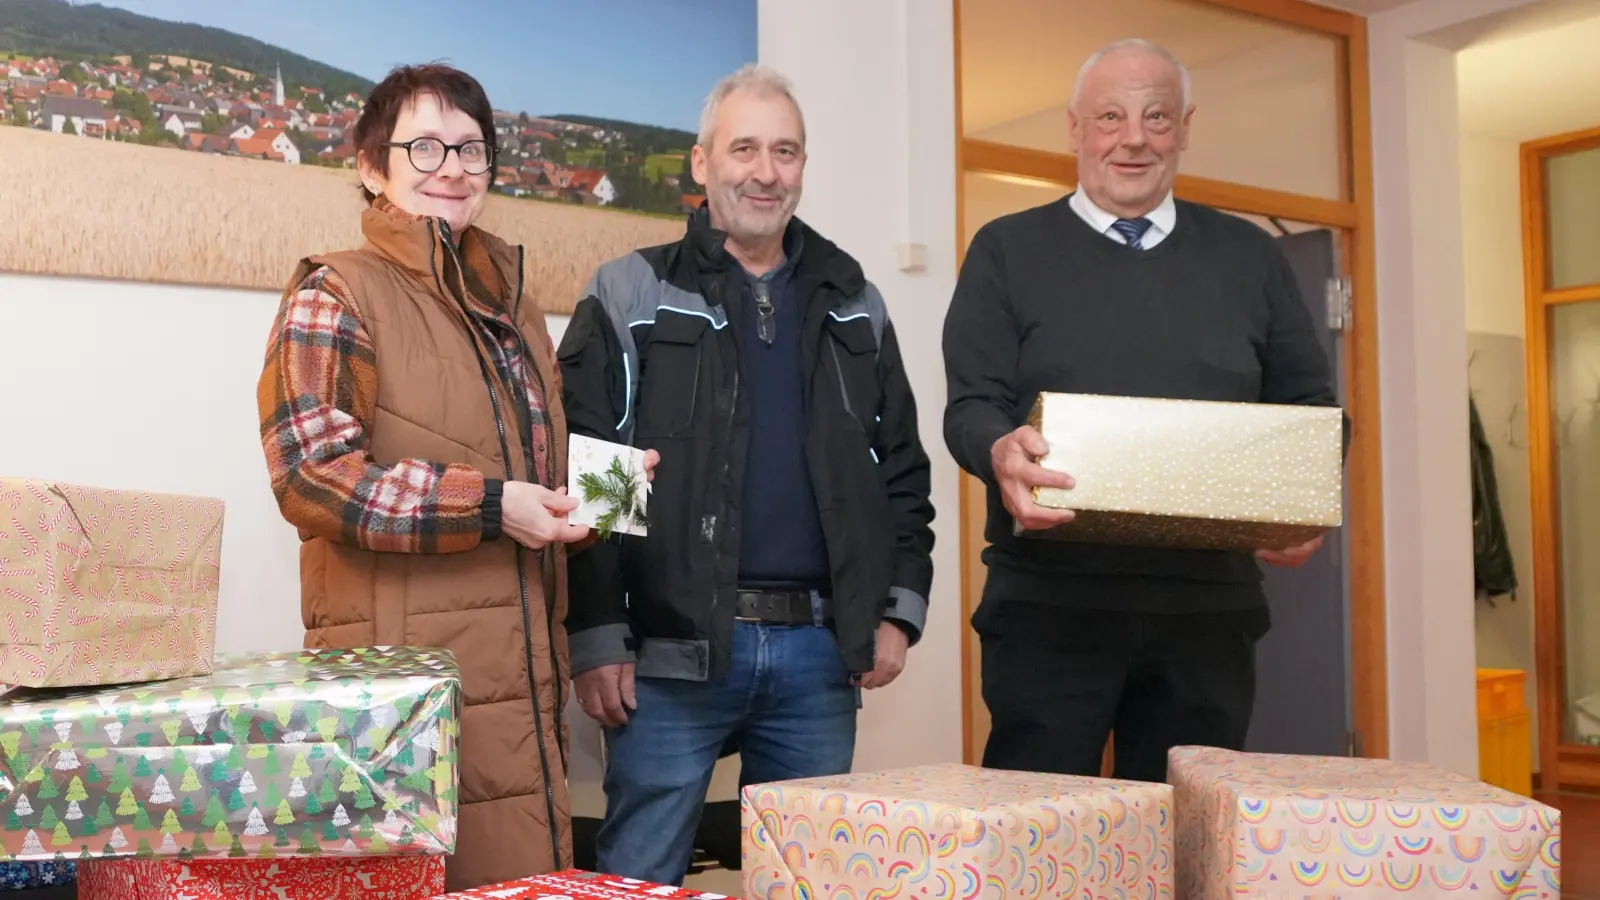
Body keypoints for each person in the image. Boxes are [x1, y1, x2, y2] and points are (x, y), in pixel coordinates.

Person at [256, 63, 653, 891]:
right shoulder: (334, 292)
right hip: (404, 696)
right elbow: (311, 475)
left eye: (472, 150)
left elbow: (531, 480)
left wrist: (610, 497)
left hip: (521, 695)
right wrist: (495, 506)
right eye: (426, 145)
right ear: (372, 169)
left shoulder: (513, 306)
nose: (453, 168)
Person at [557, 63, 936, 885]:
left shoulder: (853, 300)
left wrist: (898, 611)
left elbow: (901, 469)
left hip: (818, 656)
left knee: (806, 877)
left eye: (786, 151)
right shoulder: (632, 291)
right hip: (666, 655)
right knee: (636, 878)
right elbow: (596, 476)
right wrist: (595, 636)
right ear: (702, 163)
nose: (765, 171)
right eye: (745, 148)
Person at [941, 39, 1342, 784]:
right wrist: (998, 449)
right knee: (1039, 842)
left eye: (1156, 116)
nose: (1133, 138)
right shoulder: (1005, 250)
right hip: (1049, 610)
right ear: (1074, 129)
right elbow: (971, 404)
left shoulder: (1251, 258)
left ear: (1185, 128)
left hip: (1207, 616)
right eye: (1111, 116)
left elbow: (1313, 408)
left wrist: (1302, 497)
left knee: (1186, 842)